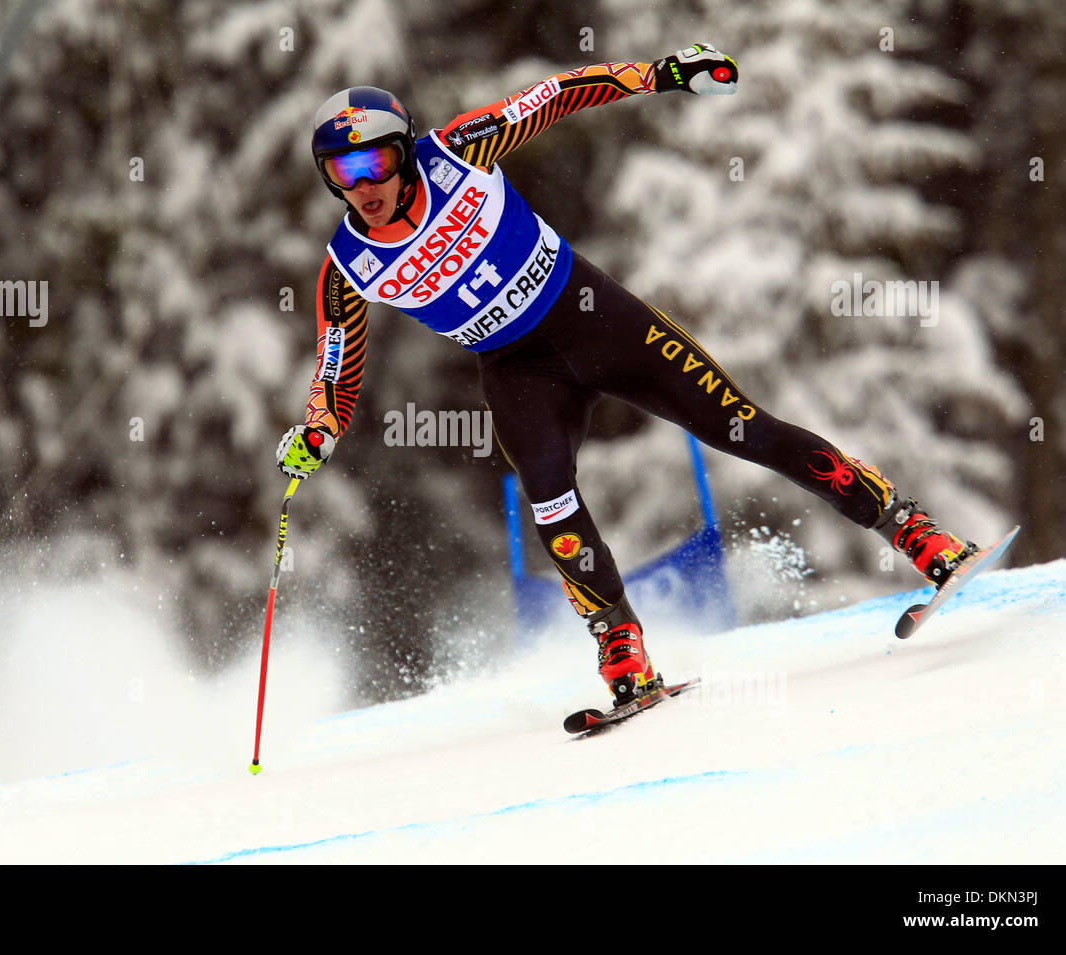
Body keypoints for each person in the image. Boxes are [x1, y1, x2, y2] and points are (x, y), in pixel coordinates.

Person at [277, 45, 975, 703]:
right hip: (518, 369)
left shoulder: (458, 152)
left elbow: (560, 94)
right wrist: (317, 431)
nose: (364, 185)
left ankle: (912, 530)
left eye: (375, 163)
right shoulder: (347, 268)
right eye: (343, 172)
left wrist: (664, 74)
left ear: (404, 151)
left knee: (740, 427)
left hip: (593, 316)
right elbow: (336, 373)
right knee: (549, 497)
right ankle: (620, 644)